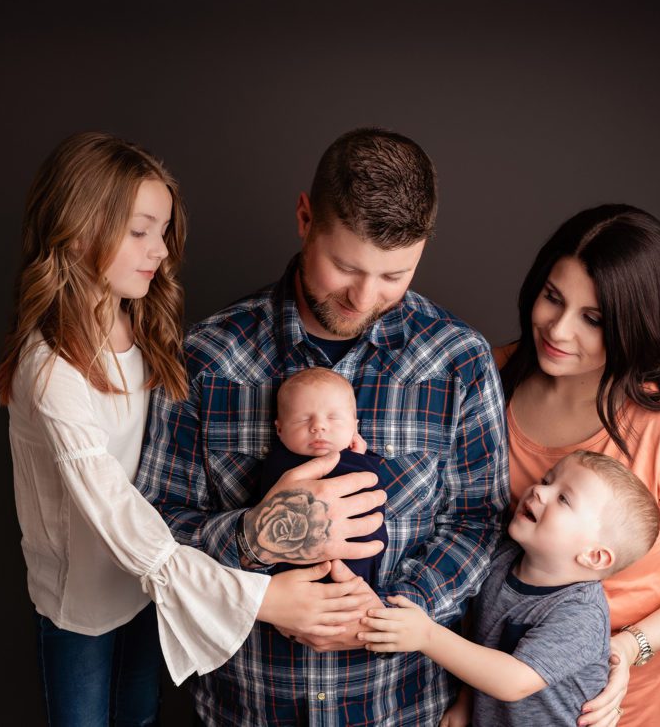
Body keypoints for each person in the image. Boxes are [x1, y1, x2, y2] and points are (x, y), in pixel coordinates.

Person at [0, 132, 378, 726]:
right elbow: (116, 509)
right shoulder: (51, 372)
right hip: (86, 604)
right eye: (140, 231)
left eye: (163, 232)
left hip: (153, 592)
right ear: (79, 229)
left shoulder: (143, 332)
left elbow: (159, 483)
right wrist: (263, 599)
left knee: (141, 717)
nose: (161, 253)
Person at [138, 127, 508, 725]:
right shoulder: (208, 357)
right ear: (305, 217)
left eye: (395, 276)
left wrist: (391, 615)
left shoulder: (458, 360)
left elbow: (477, 522)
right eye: (345, 266)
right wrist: (253, 541)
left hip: (399, 707)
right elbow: (151, 525)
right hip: (248, 708)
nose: (364, 298)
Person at [477, 204, 660, 727]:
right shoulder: (486, 380)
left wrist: (630, 648)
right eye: (552, 298)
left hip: (608, 705)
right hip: (482, 690)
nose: (559, 331)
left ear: (637, 326)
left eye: (593, 320)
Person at [360, 450, 660, 726]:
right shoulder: (503, 558)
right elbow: (484, 641)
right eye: (547, 481)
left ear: (593, 556)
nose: (539, 490)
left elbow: (513, 680)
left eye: (563, 499)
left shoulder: (581, 615)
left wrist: (426, 635)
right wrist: (467, 698)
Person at [259, 366, 388, 586]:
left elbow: (374, 491)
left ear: (354, 428)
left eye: (334, 418)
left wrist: (360, 459)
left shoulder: (362, 460)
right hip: (293, 583)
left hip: (358, 577)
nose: (318, 426)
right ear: (279, 429)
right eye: (302, 420)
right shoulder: (276, 466)